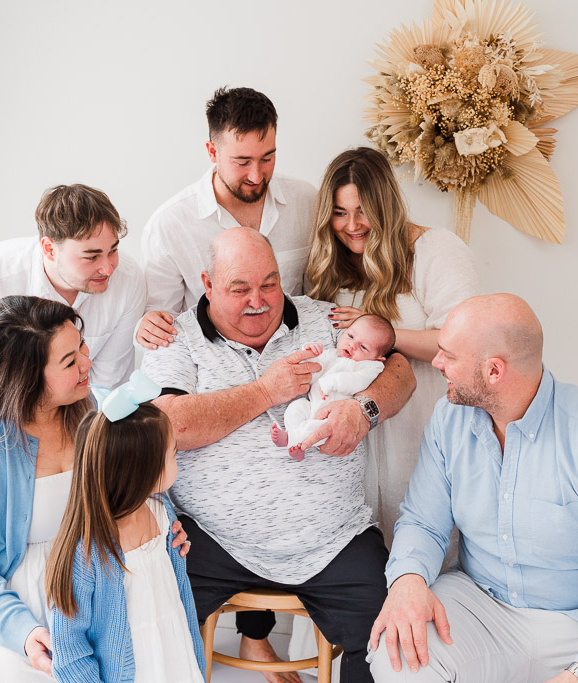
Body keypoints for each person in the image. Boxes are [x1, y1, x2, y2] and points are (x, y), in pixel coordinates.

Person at [368, 294, 578, 683]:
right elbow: (423, 522)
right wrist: (408, 579)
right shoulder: (448, 420)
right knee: (395, 652)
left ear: (493, 371)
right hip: (482, 610)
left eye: (449, 355)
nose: (436, 362)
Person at [141, 226, 415, 683]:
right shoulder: (176, 337)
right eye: (240, 289)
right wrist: (266, 391)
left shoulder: (327, 320)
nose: (259, 301)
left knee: (393, 641)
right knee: (147, 629)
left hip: (334, 540)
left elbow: (401, 369)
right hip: (210, 540)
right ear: (207, 284)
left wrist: (363, 410)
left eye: (269, 284)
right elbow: (167, 424)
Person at [0, 296, 187, 681]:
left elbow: (135, 482)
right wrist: (23, 631)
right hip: (1, 598)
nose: (87, 362)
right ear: (27, 377)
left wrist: (164, 528)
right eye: (69, 361)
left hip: (89, 580)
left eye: (82, 346)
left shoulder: (92, 410)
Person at [305, 146, 480, 543]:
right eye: (339, 212)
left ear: (385, 206)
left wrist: (387, 333)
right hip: (354, 446)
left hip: (420, 428)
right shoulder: (330, 266)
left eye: (363, 211)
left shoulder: (435, 250)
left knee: (427, 546)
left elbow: (467, 345)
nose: (352, 225)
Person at [136, 86, 317, 350]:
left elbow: (320, 298)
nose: (256, 176)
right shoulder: (169, 226)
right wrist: (147, 327)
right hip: (213, 365)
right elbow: (160, 328)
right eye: (242, 162)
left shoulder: (307, 201)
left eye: (267, 158)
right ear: (213, 152)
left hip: (301, 355)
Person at [46, 388, 206, 683]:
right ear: (143, 472)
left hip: (173, 652)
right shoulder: (86, 553)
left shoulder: (162, 512)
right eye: (173, 453)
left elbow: (173, 588)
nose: (179, 459)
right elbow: (70, 651)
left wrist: (177, 550)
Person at [0, 184, 146, 402]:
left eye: (113, 250)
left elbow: (108, 393)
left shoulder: (128, 281)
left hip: (87, 416)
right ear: (49, 249)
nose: (108, 269)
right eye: (91, 257)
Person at [270, 314, 395, 460]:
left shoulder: (372, 366)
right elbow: (312, 373)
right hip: (312, 406)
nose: (352, 345)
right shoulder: (331, 354)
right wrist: (311, 353)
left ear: (378, 358)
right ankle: (296, 444)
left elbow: (357, 382)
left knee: (325, 427)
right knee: (296, 407)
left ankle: (291, 439)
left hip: (334, 416)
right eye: (350, 336)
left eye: (363, 347)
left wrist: (331, 382)